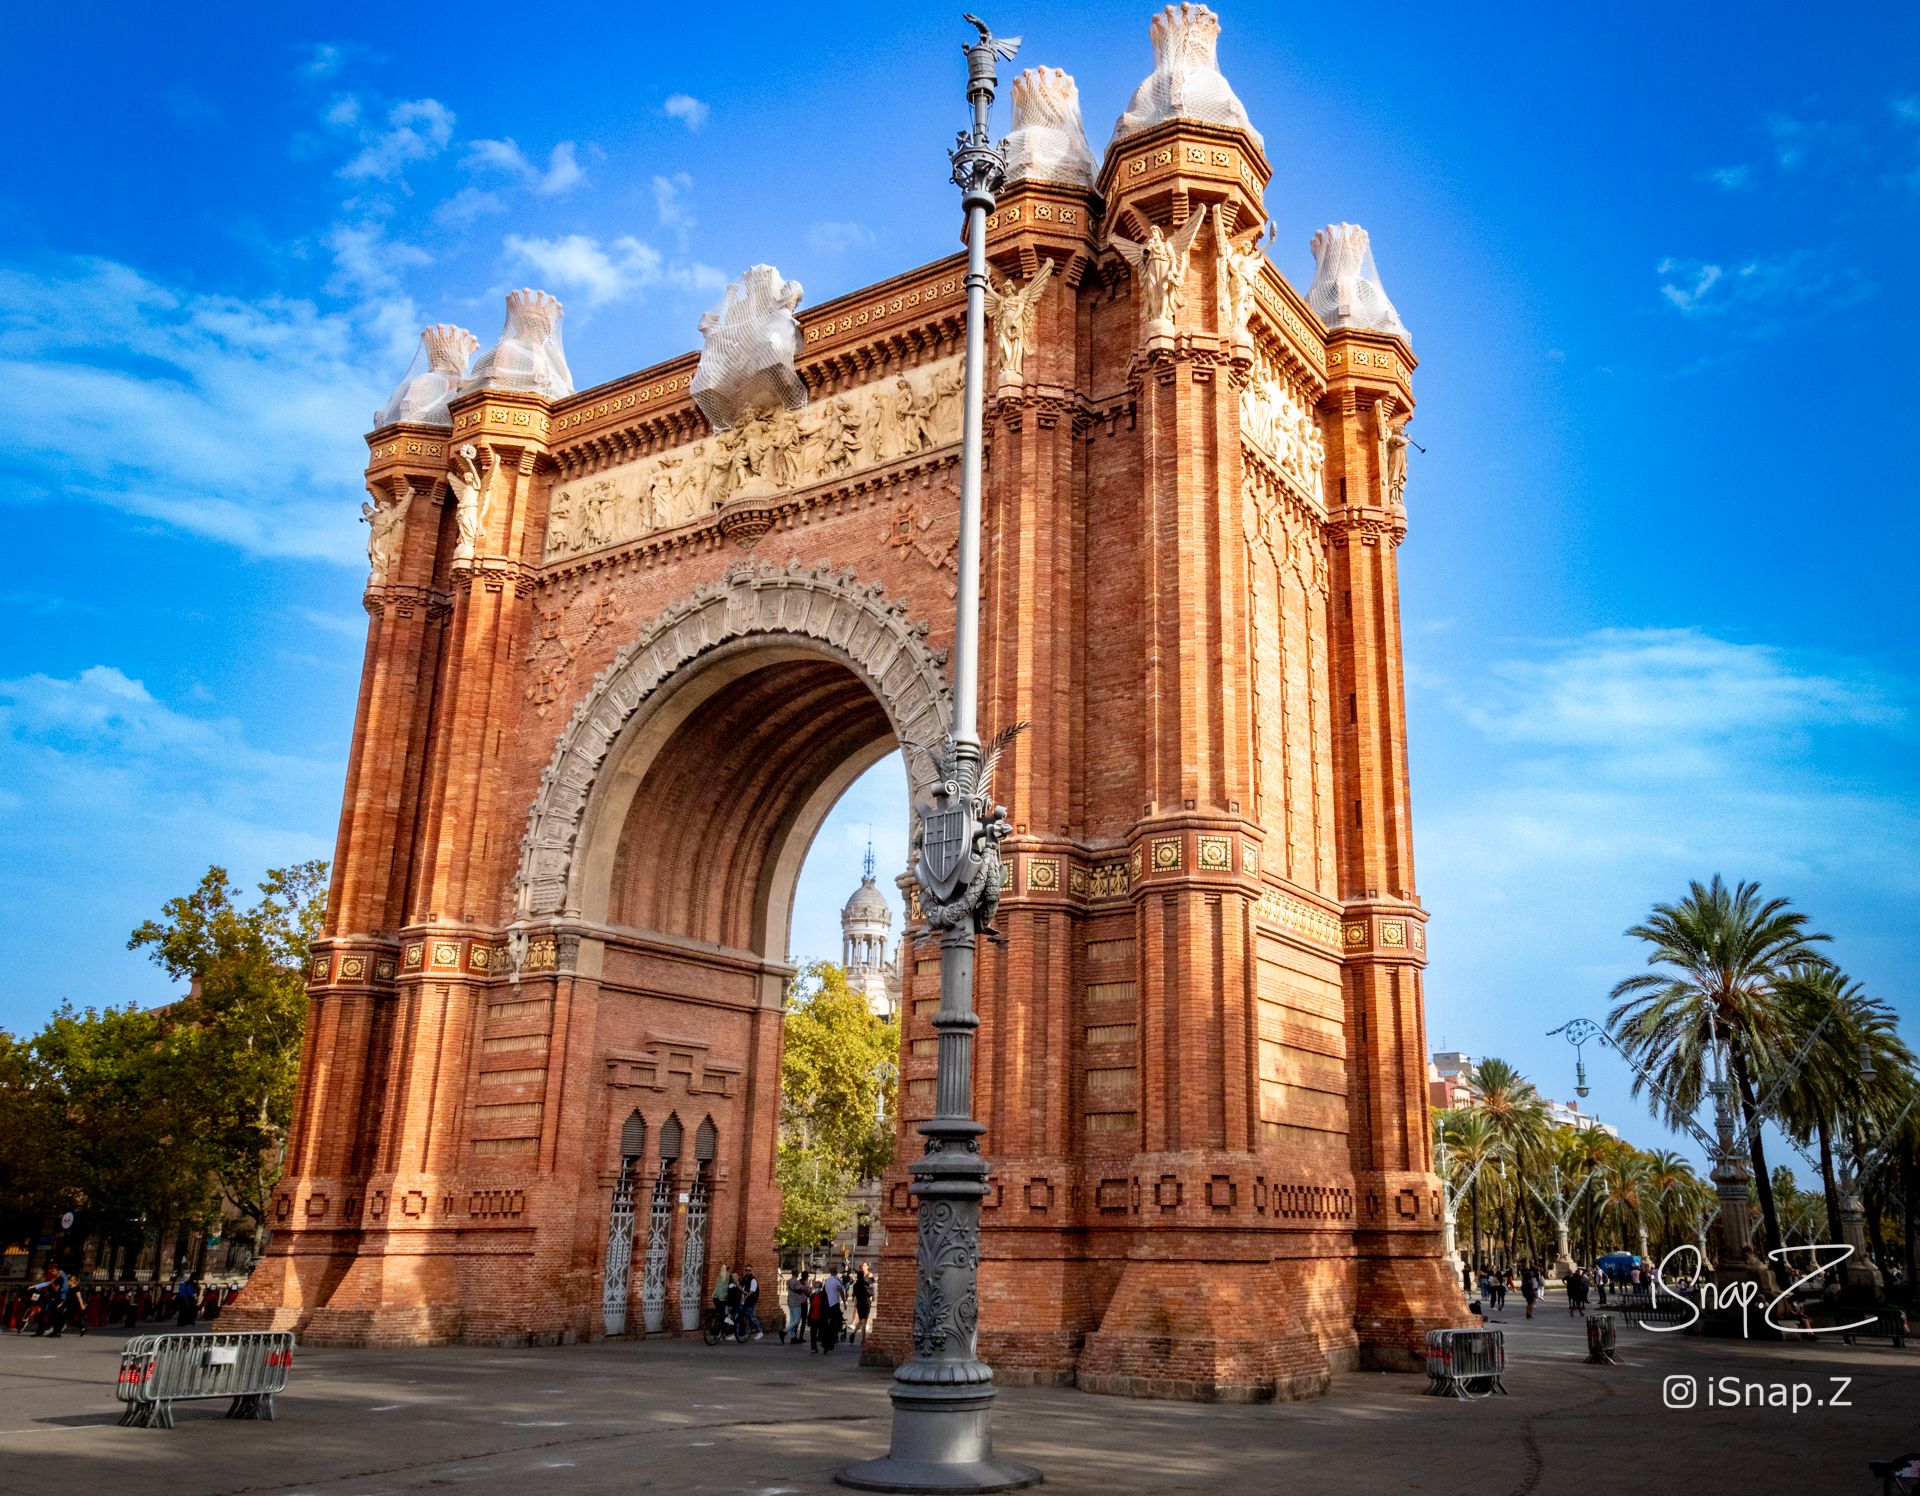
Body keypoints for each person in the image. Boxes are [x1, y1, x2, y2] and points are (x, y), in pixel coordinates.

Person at [820, 1267, 845, 1353]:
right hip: (835, 1304)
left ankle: (826, 1341)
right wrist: (844, 1302)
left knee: (828, 1323)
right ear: (836, 1272)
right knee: (836, 1322)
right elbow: (841, 1292)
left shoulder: (827, 1281)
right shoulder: (837, 1280)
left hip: (827, 1304)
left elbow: (823, 1291)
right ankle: (834, 1338)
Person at [852, 1264, 874, 1344]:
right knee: (864, 1321)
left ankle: (854, 1332)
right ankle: (863, 1339)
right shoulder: (865, 1284)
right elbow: (870, 1293)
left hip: (859, 1304)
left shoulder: (855, 1285)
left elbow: (853, 1294)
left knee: (861, 1320)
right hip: (866, 1303)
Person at [738, 1265, 763, 1341]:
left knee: (751, 1317)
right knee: (739, 1317)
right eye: (746, 1270)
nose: (747, 1271)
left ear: (752, 1271)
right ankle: (737, 1333)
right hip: (743, 1301)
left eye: (749, 1270)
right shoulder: (744, 1279)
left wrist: (745, 1297)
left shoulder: (753, 1280)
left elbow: (752, 1291)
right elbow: (741, 1287)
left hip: (750, 1301)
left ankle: (759, 1332)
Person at [711, 1264, 734, 1331]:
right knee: (725, 1313)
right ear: (728, 1270)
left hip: (715, 1298)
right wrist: (743, 1291)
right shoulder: (729, 1276)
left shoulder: (719, 1276)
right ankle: (721, 1330)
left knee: (721, 1313)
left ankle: (721, 1329)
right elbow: (736, 1284)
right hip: (722, 1298)